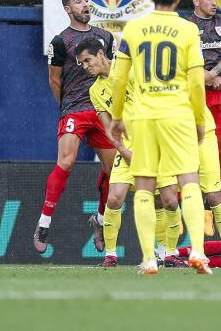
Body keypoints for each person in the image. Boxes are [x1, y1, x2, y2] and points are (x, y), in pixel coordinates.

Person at [107, 0, 212, 275]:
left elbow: (119, 78)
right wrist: (199, 119)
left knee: (143, 185)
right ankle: (196, 252)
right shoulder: (188, 29)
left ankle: (148, 259)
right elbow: (195, 81)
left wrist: (116, 117)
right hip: (177, 113)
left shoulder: (134, 28)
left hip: (142, 116)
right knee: (188, 180)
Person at [78, 38, 187, 269]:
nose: (85, 66)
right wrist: (124, 150)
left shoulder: (129, 68)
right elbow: (108, 127)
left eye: (87, 60)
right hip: (127, 149)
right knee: (114, 198)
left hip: (155, 143)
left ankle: (167, 254)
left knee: (167, 201)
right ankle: (110, 255)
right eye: (81, 64)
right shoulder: (95, 91)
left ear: (100, 54)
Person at [35, 0, 116, 255]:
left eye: (86, 0)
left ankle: (101, 221)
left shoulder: (105, 37)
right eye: (78, 1)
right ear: (68, 9)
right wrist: (66, 107)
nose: (84, 5)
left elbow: (112, 73)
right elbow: (54, 79)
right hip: (75, 109)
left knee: (112, 170)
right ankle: (44, 223)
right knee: (66, 161)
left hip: (103, 109)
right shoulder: (60, 41)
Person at [183, 0, 221, 204]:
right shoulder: (184, 25)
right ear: (196, 1)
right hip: (191, 95)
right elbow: (181, 59)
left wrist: (212, 73)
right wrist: (203, 76)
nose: (214, 3)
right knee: (189, 146)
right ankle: (187, 197)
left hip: (220, 92)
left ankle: (213, 202)